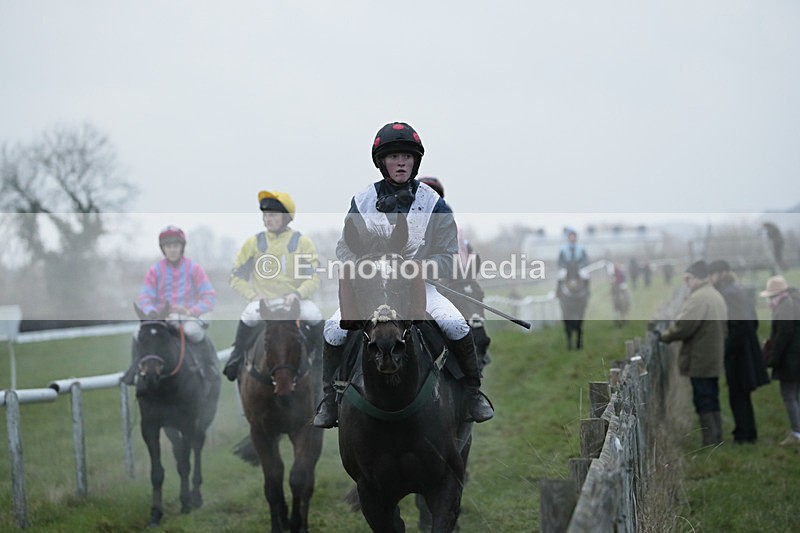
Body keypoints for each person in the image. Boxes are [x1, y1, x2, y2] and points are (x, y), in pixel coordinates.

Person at [313, 121, 493, 428]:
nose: (401, 162)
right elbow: (344, 247)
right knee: (333, 331)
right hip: (372, 289)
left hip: (419, 288)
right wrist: (366, 264)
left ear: (415, 161)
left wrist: (420, 267)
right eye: (394, 156)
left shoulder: (436, 205)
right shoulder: (362, 200)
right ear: (382, 161)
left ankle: (473, 393)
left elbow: (448, 257)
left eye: (407, 157)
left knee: (458, 326)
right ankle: (330, 399)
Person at [222, 191, 323, 381]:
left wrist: (297, 294)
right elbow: (235, 277)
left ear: (286, 218)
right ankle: (236, 357)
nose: (267, 219)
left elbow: (314, 277)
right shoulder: (253, 243)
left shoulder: (302, 242)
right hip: (264, 303)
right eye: (265, 215)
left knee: (315, 315)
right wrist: (253, 295)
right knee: (248, 315)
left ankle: (323, 361)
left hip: (295, 302)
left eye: (273, 215)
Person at [123, 225, 218, 384]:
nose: (172, 250)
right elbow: (145, 297)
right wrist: (153, 312)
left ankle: (209, 368)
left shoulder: (194, 269)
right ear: (163, 249)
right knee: (137, 334)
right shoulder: (155, 270)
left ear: (182, 247)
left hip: (188, 316)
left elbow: (209, 296)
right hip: (163, 317)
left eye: (176, 246)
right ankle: (135, 370)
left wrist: (190, 311)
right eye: (168, 246)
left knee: (193, 331)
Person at [419, 175, 491, 370]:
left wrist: (468, 269)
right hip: (426, 284)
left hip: (456, 280)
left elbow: (467, 253)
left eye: (436, 194)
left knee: (473, 293)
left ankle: (477, 353)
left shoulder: (449, 219)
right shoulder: (411, 220)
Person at [655, 261, 728, 447]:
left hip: (700, 357)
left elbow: (684, 325)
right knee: (712, 395)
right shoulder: (714, 294)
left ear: (697, 277)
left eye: (688, 278)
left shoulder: (699, 297)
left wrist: (665, 336)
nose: (686, 282)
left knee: (703, 397)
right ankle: (717, 435)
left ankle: (710, 440)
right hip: (712, 355)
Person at [709, 260, 770, 444]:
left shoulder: (728, 293)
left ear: (720, 273)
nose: (711, 279)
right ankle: (748, 432)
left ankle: (743, 435)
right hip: (745, 349)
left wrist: (726, 348)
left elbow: (740, 325)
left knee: (738, 395)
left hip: (739, 353)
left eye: (712, 275)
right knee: (743, 394)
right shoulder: (737, 289)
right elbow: (754, 321)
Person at [760, 275, 800, 445]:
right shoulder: (794, 302)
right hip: (796, 358)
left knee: (789, 396)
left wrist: (773, 359)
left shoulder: (784, 307)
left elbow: (783, 336)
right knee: (796, 395)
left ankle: (797, 433)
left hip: (790, 360)